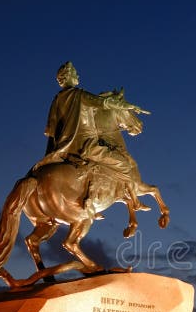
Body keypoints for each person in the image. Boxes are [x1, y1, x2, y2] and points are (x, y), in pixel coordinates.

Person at [32, 61, 150, 217]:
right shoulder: (78, 94)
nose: (78, 76)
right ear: (68, 77)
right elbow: (104, 103)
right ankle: (131, 200)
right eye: (75, 74)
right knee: (123, 165)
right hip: (85, 145)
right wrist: (127, 107)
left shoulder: (57, 100)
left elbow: (51, 130)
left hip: (64, 149)